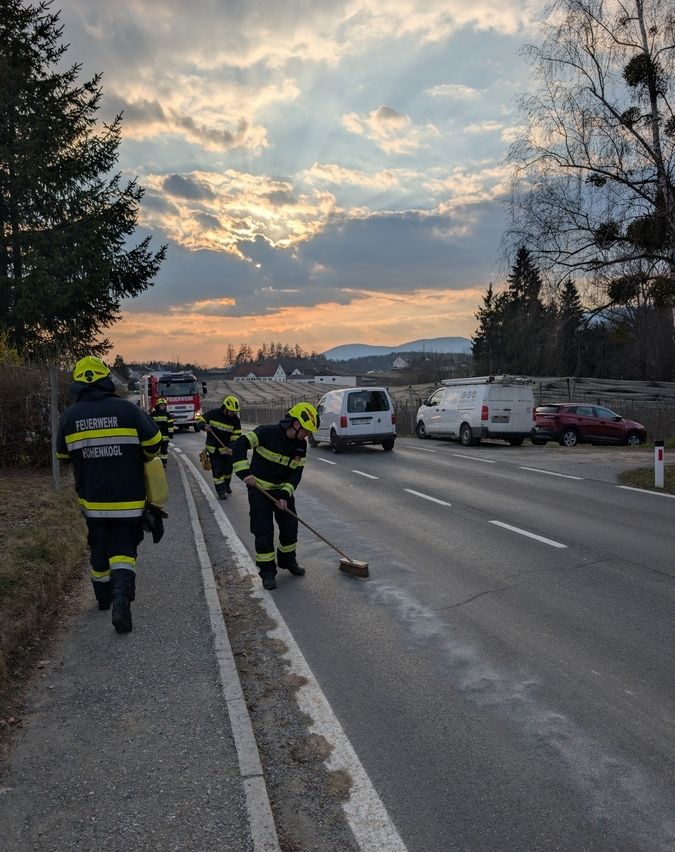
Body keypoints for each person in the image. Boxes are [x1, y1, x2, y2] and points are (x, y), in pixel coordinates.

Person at [57, 356, 162, 634]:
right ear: (106, 380)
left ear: (77, 385)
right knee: (124, 551)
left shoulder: (69, 416)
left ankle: (103, 597)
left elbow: (62, 456)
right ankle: (121, 598)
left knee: (99, 545)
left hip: (92, 501)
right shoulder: (127, 411)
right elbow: (154, 445)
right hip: (129, 501)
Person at [231, 402, 318, 590]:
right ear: (295, 424)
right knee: (263, 531)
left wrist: (285, 495)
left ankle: (287, 561)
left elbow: (296, 474)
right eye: (306, 431)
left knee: (290, 527)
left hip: (281, 492)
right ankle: (267, 572)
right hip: (259, 491)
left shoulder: (300, 446)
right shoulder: (265, 433)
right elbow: (240, 445)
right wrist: (245, 474)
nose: (307, 436)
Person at [200, 395, 241, 499]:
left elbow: (236, 436)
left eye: (235, 412)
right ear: (225, 408)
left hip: (226, 450)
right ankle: (221, 492)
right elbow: (200, 419)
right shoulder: (213, 413)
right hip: (213, 450)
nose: (233, 414)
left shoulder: (235, 420)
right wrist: (204, 426)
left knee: (228, 470)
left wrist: (231, 447)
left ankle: (227, 485)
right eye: (231, 411)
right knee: (217, 470)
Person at [149, 397, 175, 467]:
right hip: (155, 436)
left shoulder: (168, 415)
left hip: (165, 436)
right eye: (161, 405)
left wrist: (171, 433)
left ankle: (164, 462)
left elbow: (170, 425)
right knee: (155, 450)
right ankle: (156, 462)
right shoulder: (153, 414)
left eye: (164, 405)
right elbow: (149, 424)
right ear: (158, 406)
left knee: (164, 450)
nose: (163, 407)